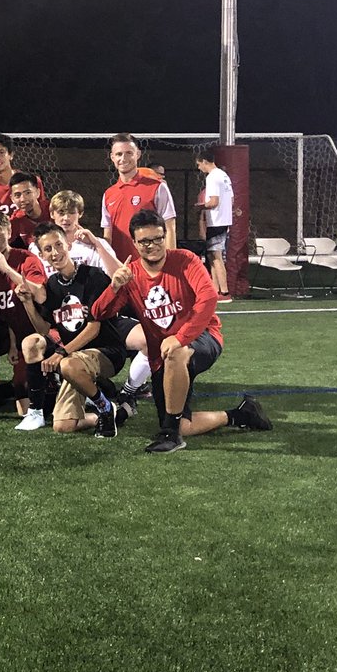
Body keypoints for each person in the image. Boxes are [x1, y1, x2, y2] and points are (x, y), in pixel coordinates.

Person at [90, 210, 272, 453]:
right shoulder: (130, 275)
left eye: (157, 238)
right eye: (144, 241)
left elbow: (208, 299)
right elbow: (99, 313)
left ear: (165, 236)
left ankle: (170, 437)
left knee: (176, 356)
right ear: (134, 243)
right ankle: (241, 415)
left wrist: (180, 337)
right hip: (163, 355)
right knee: (180, 423)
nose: (152, 245)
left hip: (201, 337)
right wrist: (114, 287)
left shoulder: (185, 260)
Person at [16, 223, 126, 436]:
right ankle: (115, 412)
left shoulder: (93, 276)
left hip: (107, 352)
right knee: (63, 426)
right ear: (42, 255)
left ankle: (104, 408)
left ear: (68, 244)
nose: (55, 252)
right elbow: (44, 328)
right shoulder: (52, 285)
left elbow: (94, 328)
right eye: (48, 249)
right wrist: (27, 303)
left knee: (66, 364)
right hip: (75, 359)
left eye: (58, 245)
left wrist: (61, 352)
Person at [0, 211, 49, 427]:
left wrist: (7, 269)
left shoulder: (27, 259)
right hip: (13, 332)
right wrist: (13, 343)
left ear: (9, 232)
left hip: (39, 330)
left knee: (25, 405)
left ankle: (55, 382)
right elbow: (6, 314)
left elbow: (40, 294)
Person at [101, 132, 177, 263]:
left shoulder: (157, 187)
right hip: (120, 267)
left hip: (151, 265)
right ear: (112, 157)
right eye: (119, 154)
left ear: (138, 154)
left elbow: (169, 227)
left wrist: (170, 262)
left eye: (129, 153)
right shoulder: (108, 194)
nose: (123, 158)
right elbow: (108, 236)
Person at [194, 148, 234, 301]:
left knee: (216, 257)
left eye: (199, 164)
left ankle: (224, 292)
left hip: (216, 221)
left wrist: (200, 206)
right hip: (224, 220)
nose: (199, 168)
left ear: (205, 161)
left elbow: (213, 202)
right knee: (212, 255)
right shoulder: (224, 176)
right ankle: (215, 290)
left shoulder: (212, 177)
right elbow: (231, 200)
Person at [7, 172, 50, 248]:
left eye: (28, 193)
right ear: (12, 199)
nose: (23, 199)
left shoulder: (53, 210)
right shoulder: (15, 220)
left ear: (38, 192)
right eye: (17, 195)